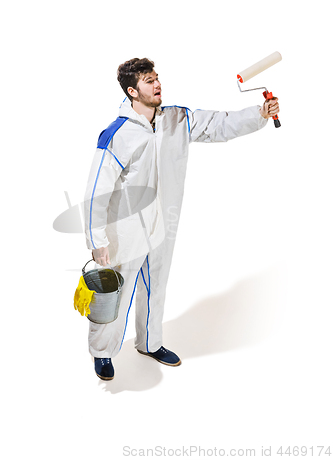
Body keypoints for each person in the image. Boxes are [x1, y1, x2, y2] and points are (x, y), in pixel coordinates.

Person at [84, 57, 280, 380]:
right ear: (133, 91)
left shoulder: (176, 119)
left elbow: (219, 124)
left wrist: (259, 114)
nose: (157, 83)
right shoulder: (117, 135)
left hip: (164, 224)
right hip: (125, 232)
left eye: (157, 77)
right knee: (115, 294)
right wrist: (97, 241)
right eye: (148, 80)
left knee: (156, 286)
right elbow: (97, 191)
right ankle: (102, 352)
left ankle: (149, 342)